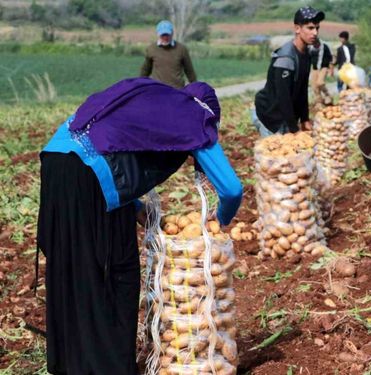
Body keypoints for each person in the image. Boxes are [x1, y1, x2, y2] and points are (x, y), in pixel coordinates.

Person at [37, 78, 242, 374]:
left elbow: (113, 147)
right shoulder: (196, 116)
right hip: (88, 173)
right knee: (115, 273)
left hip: (56, 164)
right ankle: (109, 367)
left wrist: (136, 209)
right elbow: (232, 190)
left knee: (72, 265)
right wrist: (216, 224)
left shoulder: (152, 103)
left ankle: (71, 364)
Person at [253, 6, 324, 137]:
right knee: (276, 156)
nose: (315, 33)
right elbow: (283, 96)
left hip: (284, 115)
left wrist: (304, 119)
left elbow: (302, 89)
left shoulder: (306, 54)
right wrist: (294, 129)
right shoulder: (286, 58)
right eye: (310, 28)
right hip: (270, 116)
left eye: (317, 28)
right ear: (297, 28)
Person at [140, 20, 197, 88]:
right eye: (163, 35)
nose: (165, 37)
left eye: (167, 35)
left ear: (172, 33)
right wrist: (139, 85)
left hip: (177, 90)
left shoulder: (181, 49)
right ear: (158, 34)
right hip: (157, 89)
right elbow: (145, 70)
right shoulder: (151, 49)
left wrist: (196, 87)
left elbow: (189, 71)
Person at [309, 38, 333, 106]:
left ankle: (327, 95)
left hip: (323, 67)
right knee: (314, 87)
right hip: (314, 68)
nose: (315, 45)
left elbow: (330, 58)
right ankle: (319, 102)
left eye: (316, 44)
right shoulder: (310, 48)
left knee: (320, 83)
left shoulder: (324, 47)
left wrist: (331, 69)